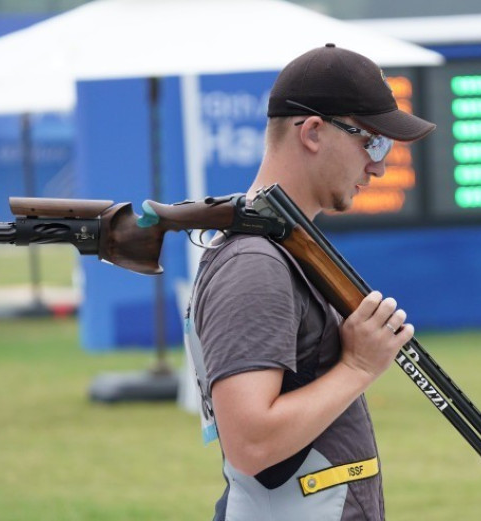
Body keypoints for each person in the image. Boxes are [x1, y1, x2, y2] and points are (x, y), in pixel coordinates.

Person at [186, 43, 436, 521]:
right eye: (372, 142)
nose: (380, 165)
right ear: (314, 132)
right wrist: (359, 367)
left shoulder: (274, 247)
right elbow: (250, 442)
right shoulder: (255, 263)